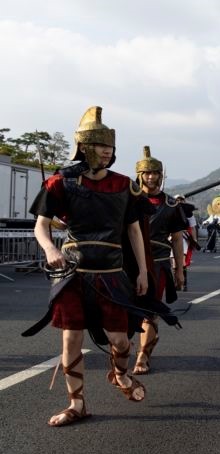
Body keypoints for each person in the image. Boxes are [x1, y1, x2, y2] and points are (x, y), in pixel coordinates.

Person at [24, 106, 149, 426]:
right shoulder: (60, 183)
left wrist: (144, 271)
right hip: (73, 273)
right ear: (83, 147)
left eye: (110, 147)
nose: (107, 152)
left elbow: (134, 230)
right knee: (70, 338)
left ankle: (120, 373)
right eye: (100, 146)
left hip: (111, 273)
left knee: (120, 341)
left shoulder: (125, 185)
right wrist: (50, 247)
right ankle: (76, 403)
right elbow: (41, 226)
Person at [133, 146, 187, 375]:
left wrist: (179, 270)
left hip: (159, 263)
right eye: (147, 173)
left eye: (155, 173)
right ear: (140, 175)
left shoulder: (172, 205)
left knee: (150, 311)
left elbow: (176, 239)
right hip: (130, 262)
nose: (151, 177)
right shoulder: (129, 199)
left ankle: (143, 356)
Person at [174, 194, 199, 292]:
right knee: (173, 263)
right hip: (171, 237)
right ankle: (176, 283)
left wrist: (194, 240)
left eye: (181, 199)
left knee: (182, 260)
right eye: (177, 199)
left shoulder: (189, 212)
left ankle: (184, 283)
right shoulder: (170, 209)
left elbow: (192, 228)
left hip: (183, 237)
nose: (179, 201)